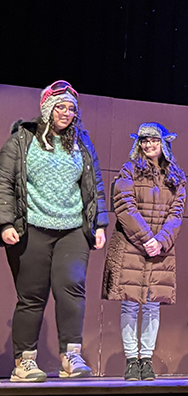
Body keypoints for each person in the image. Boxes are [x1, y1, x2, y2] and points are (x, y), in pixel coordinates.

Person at [0, 80, 108, 382]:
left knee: (72, 289)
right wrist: (5, 223)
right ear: (47, 108)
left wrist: (99, 224)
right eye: (60, 106)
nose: (66, 113)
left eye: (71, 108)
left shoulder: (82, 143)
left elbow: (95, 185)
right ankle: (25, 361)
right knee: (32, 296)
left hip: (72, 229)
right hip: (32, 227)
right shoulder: (23, 139)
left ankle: (70, 356)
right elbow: (4, 182)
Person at [102, 123, 186, 381]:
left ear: (164, 144)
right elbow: (124, 206)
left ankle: (146, 360)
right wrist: (147, 239)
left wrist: (161, 241)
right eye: (144, 141)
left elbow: (177, 212)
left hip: (160, 249)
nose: (149, 145)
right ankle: (131, 360)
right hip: (132, 246)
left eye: (154, 141)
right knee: (129, 304)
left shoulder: (175, 175)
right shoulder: (129, 170)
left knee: (151, 305)